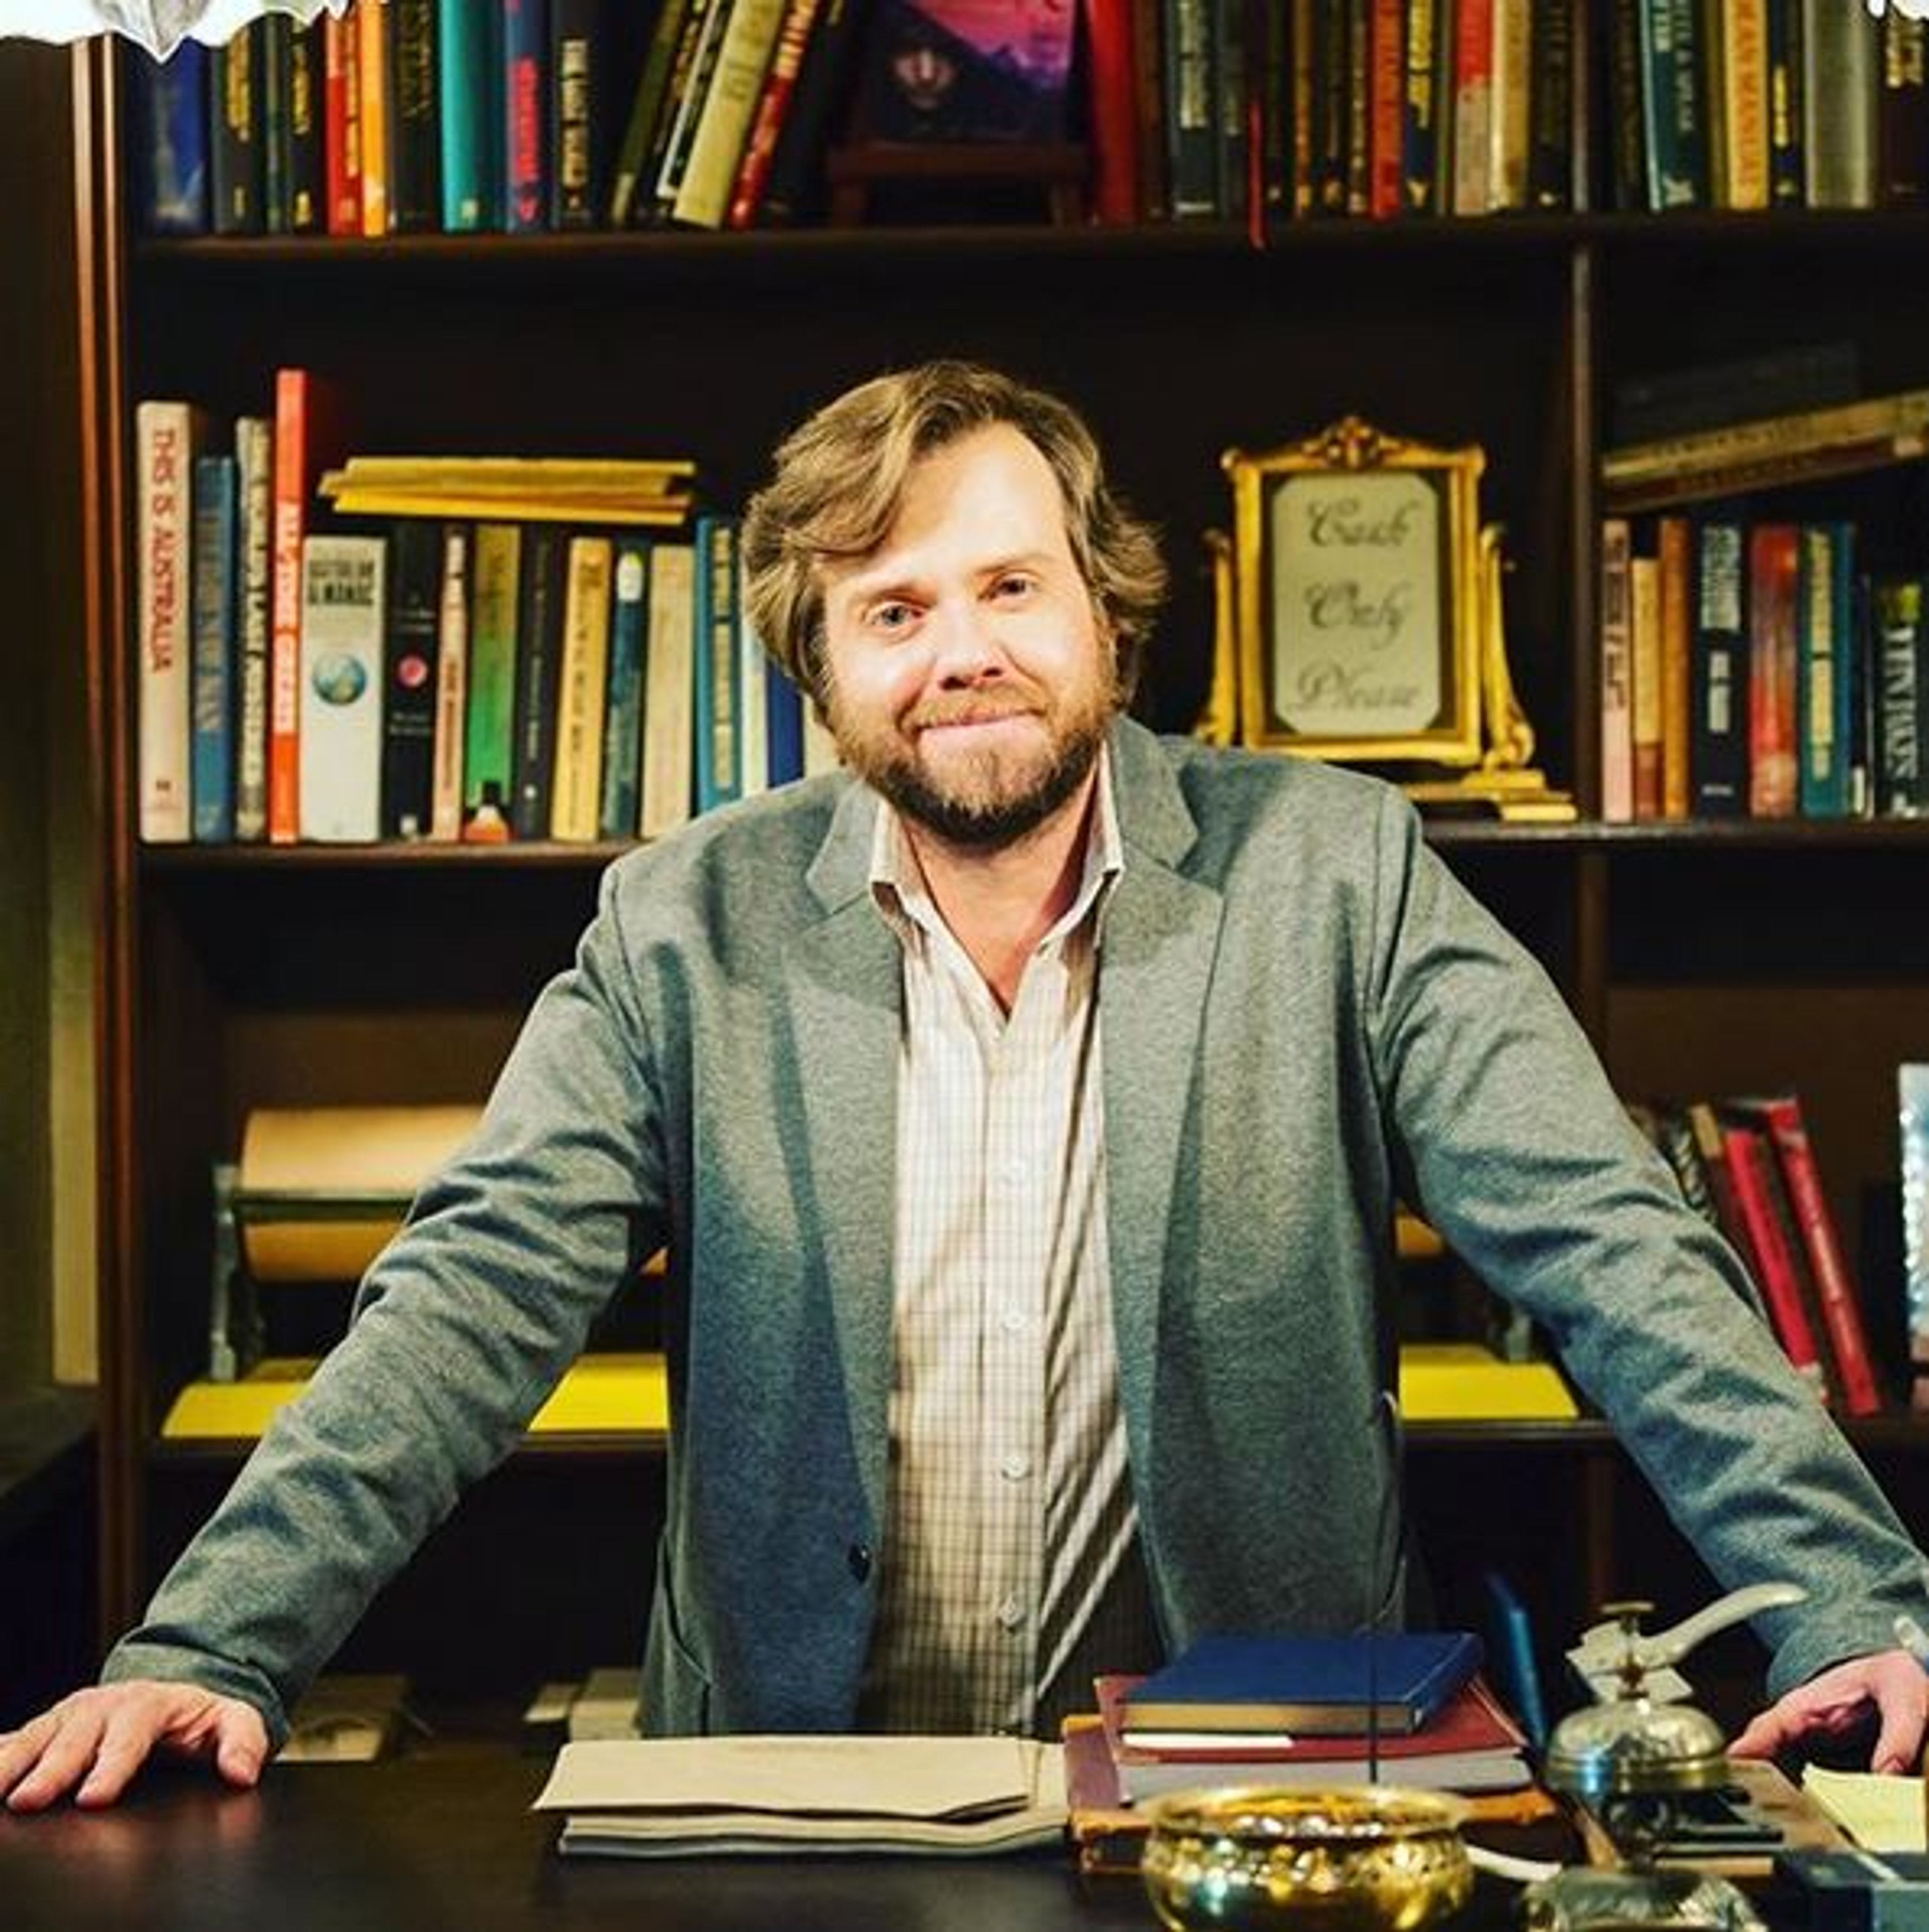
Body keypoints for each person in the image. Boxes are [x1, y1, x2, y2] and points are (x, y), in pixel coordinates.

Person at [5, 361, 1925, 1813]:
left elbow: (1610, 1243)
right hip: (796, 1797)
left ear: (1104, 608)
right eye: (895, 610)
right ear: (822, 674)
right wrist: (211, 1645)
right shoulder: (682, 924)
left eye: (1008, 585)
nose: (965, 655)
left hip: (1256, 1809)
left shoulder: (1338, 871)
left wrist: (1845, 1597)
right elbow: (466, 1302)